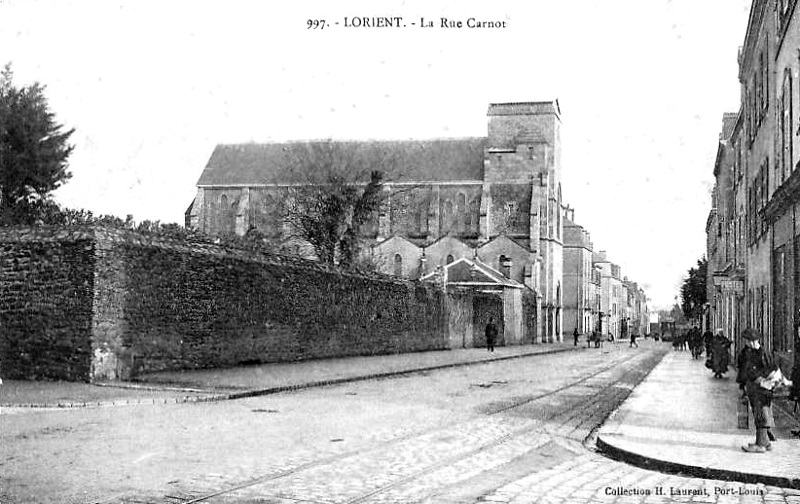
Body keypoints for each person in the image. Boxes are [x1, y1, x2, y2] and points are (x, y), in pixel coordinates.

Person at [736, 329, 777, 453]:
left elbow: (772, 370)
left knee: (761, 413)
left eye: (751, 341)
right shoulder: (746, 352)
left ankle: (760, 444)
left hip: (763, 387)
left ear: (756, 341)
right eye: (748, 341)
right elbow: (742, 370)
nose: (749, 343)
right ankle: (765, 442)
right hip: (752, 387)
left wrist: (764, 381)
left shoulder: (763, 353)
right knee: (757, 412)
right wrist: (742, 386)